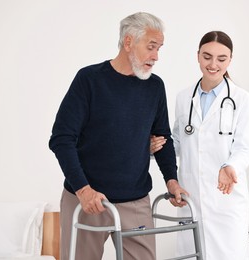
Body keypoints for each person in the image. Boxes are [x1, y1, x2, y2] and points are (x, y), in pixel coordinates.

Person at [49, 12, 187, 260]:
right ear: (128, 42)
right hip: (87, 200)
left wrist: (171, 180)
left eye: (159, 48)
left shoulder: (155, 87)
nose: (156, 56)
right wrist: (83, 189)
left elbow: (162, 137)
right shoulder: (89, 80)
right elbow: (61, 138)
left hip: (135, 201)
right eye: (151, 47)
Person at [151, 31, 249, 259]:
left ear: (230, 59)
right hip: (192, 199)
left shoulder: (242, 99)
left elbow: (243, 148)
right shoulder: (184, 98)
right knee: (192, 254)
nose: (213, 64)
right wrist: (153, 147)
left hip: (225, 201)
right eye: (207, 57)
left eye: (221, 58)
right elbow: (178, 142)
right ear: (197, 56)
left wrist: (230, 167)